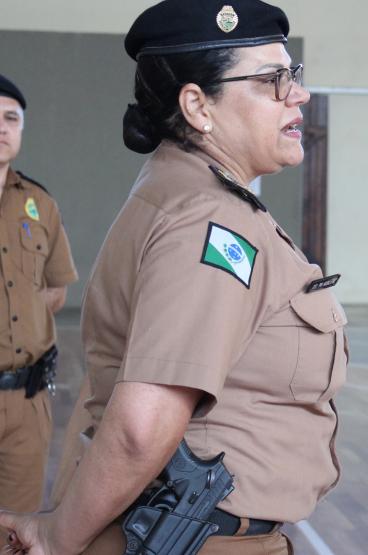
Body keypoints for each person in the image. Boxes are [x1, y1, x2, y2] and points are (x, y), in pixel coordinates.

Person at [0, 1, 346, 552]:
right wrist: (57, 539)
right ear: (197, 106)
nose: (297, 94)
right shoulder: (210, 222)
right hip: (200, 537)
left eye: (293, 75)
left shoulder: (188, 193)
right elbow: (144, 426)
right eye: (271, 80)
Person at [0, 73, 78, 516]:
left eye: (11, 118)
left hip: (26, 402)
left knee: (16, 531)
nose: (2, 128)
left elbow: (56, 289)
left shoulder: (40, 204)